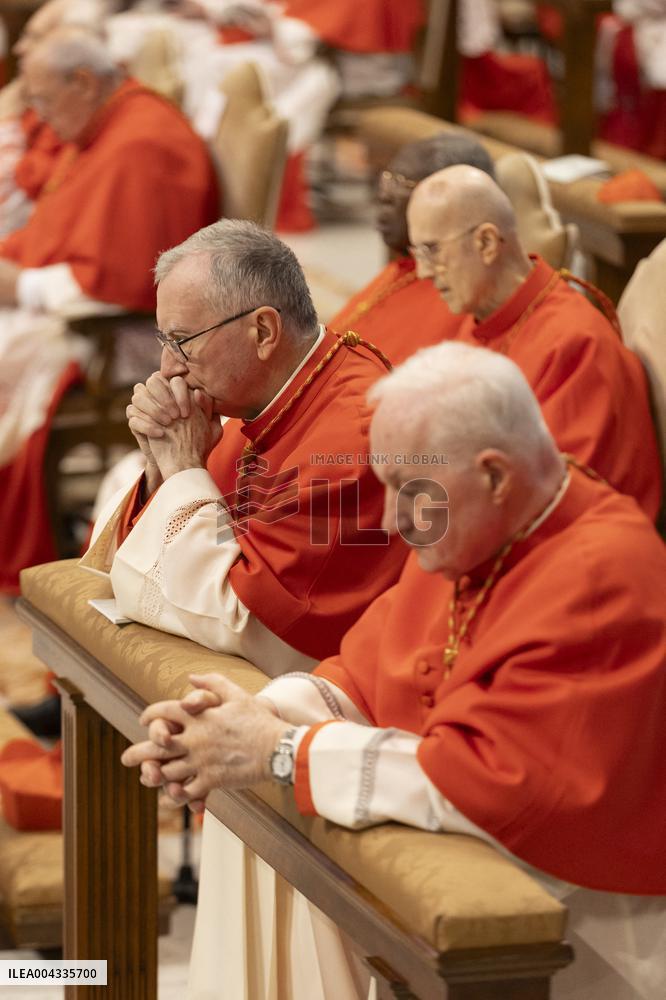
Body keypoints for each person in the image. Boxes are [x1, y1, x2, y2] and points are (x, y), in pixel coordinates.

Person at [122, 341, 666, 1000]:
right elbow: (371, 674)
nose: (391, 520)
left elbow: (502, 787)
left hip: (586, 935)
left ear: (494, 474)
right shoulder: (490, 523)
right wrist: (248, 720)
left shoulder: (599, 579)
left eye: (409, 491)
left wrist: (280, 749)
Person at [0, 26, 220, 592]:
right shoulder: (110, 120)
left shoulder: (142, 143)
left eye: (43, 100)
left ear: (82, 81)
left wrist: (21, 286)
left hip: (125, 336)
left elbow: (125, 281)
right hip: (75, 313)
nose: (41, 120)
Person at [407, 163, 662, 521]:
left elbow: (559, 498)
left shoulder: (575, 341)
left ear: (486, 242)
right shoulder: (482, 318)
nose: (423, 272)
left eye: (432, 251)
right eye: (417, 253)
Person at [329, 132, 496, 364]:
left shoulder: (464, 300)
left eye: (402, 183)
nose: (384, 195)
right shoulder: (405, 266)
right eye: (387, 178)